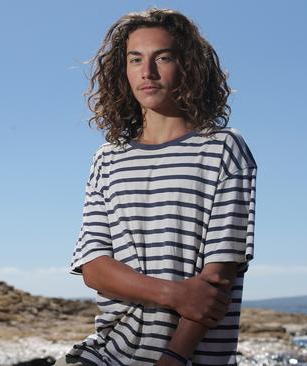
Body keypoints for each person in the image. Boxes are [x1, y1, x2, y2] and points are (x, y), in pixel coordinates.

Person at [55, 8, 257, 366]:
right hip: (105, 354)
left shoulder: (224, 149)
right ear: (123, 70)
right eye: (135, 60)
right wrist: (175, 294)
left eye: (162, 58)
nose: (147, 73)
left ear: (189, 66)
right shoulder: (107, 159)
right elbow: (94, 266)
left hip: (187, 358)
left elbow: (217, 279)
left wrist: (173, 358)